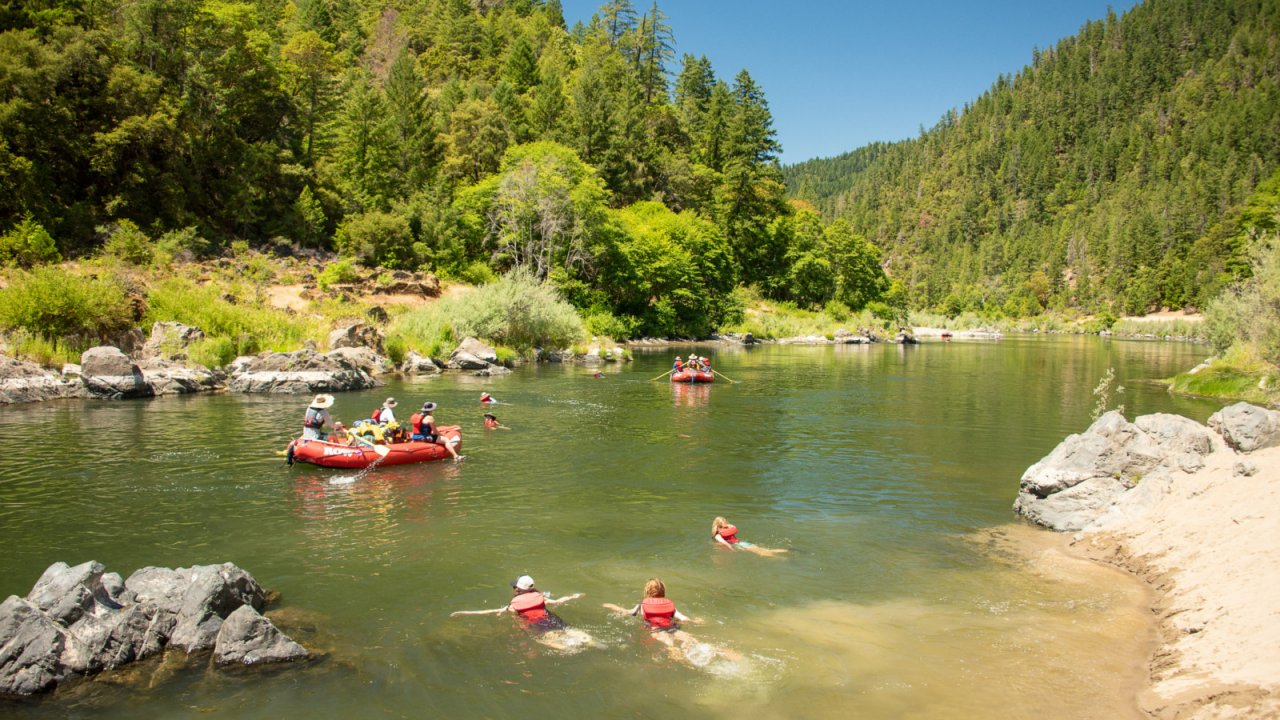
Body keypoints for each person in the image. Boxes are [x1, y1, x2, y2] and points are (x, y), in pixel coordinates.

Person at [603, 578, 737, 666]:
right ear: (663, 592)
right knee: (691, 640)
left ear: (647, 592)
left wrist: (612, 606)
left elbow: (626, 612)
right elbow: (684, 618)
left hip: (656, 630)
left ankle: (675, 652)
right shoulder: (669, 605)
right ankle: (719, 651)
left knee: (669, 643)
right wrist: (695, 621)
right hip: (673, 627)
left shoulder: (642, 605)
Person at [450, 575, 596, 652]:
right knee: (573, 632)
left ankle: (573, 649)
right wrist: (574, 596)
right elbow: (559, 601)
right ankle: (594, 643)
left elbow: (490, 612)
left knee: (553, 643)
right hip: (553, 620)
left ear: (517, 589)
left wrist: (463, 613)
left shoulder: (514, 606)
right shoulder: (541, 597)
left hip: (537, 626)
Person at [711, 516, 788, 557]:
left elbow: (726, 543)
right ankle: (786, 551)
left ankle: (781, 559)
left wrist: (732, 550)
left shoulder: (717, 536)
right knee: (764, 550)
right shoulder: (728, 529)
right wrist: (727, 525)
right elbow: (733, 527)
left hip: (739, 545)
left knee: (762, 553)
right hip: (743, 543)